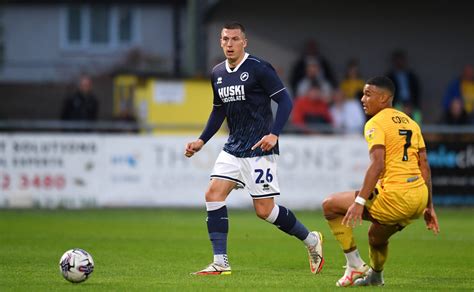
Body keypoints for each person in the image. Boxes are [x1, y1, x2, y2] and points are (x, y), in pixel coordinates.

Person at [184, 22, 324, 276]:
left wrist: (274, 134)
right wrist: (202, 141)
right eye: (225, 39)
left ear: (244, 42)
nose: (229, 44)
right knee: (213, 195)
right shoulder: (217, 73)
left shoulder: (259, 68)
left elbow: (285, 101)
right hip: (233, 147)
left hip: (260, 148)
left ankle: (311, 240)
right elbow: (219, 110)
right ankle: (220, 262)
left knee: (265, 211)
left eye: (234, 39)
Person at [322, 76, 439, 287]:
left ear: (384, 98)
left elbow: (377, 165)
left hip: (395, 197)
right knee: (376, 237)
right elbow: (425, 167)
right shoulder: (411, 123)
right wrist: (429, 206)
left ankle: (354, 265)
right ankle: (376, 276)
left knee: (330, 206)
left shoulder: (375, 123)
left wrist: (359, 203)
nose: (362, 99)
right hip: (418, 198)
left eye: (368, 94)